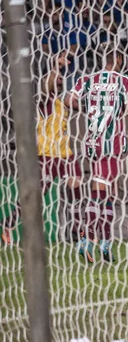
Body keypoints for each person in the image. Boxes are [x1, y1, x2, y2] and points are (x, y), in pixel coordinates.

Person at [64, 43, 128, 262]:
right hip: (113, 142)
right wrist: (121, 110)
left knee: (108, 193)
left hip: (92, 141)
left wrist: (87, 110)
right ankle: (87, 238)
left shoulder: (86, 80)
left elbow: (69, 100)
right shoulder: (124, 80)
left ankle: (104, 244)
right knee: (102, 192)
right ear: (119, 60)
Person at [2, 54, 83, 246]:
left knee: (77, 186)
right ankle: (8, 224)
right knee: (36, 195)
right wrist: (55, 66)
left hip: (66, 155)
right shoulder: (43, 100)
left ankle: (77, 230)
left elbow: (77, 104)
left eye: (62, 77)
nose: (61, 79)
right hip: (46, 155)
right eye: (58, 77)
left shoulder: (61, 103)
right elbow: (48, 86)